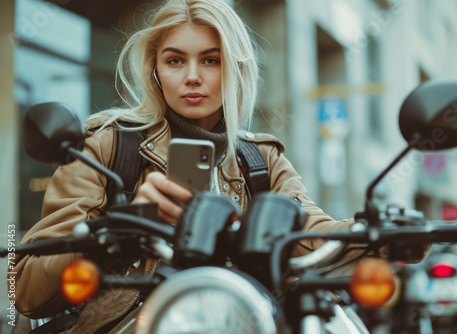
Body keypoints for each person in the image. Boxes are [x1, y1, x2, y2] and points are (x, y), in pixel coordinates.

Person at [13, 0, 352, 332]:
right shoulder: (106, 145)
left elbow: (318, 239)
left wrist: (386, 232)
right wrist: (126, 226)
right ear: (155, 69)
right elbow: (26, 289)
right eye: (175, 60)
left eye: (210, 60)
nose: (192, 77)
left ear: (235, 67)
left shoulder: (261, 159)